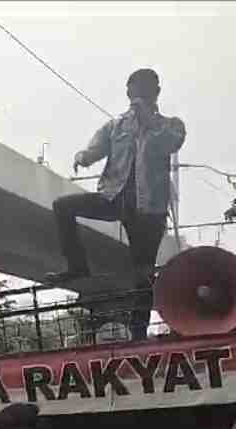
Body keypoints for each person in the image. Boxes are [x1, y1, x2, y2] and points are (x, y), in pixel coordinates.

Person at [46, 68, 186, 338]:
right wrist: (83, 156)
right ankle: (77, 265)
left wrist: (146, 116)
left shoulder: (171, 125)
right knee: (63, 206)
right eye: (130, 92)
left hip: (149, 211)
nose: (132, 97)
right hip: (114, 198)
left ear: (154, 93)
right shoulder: (116, 125)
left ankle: (138, 334)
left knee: (143, 272)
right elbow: (96, 148)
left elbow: (167, 144)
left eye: (138, 92)